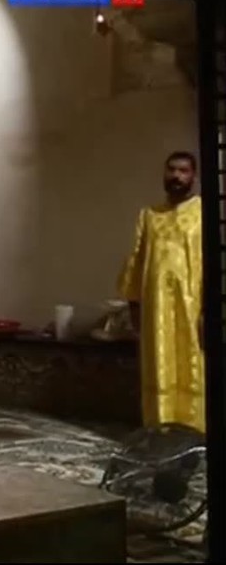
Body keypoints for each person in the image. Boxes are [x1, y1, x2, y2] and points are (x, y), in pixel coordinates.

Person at [118, 151, 204, 432]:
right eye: (171, 170)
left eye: (183, 171)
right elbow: (136, 260)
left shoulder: (203, 213)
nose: (176, 176)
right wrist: (133, 304)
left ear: (193, 176)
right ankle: (159, 429)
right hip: (156, 311)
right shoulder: (150, 216)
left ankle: (195, 429)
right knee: (158, 363)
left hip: (194, 309)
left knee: (194, 365)